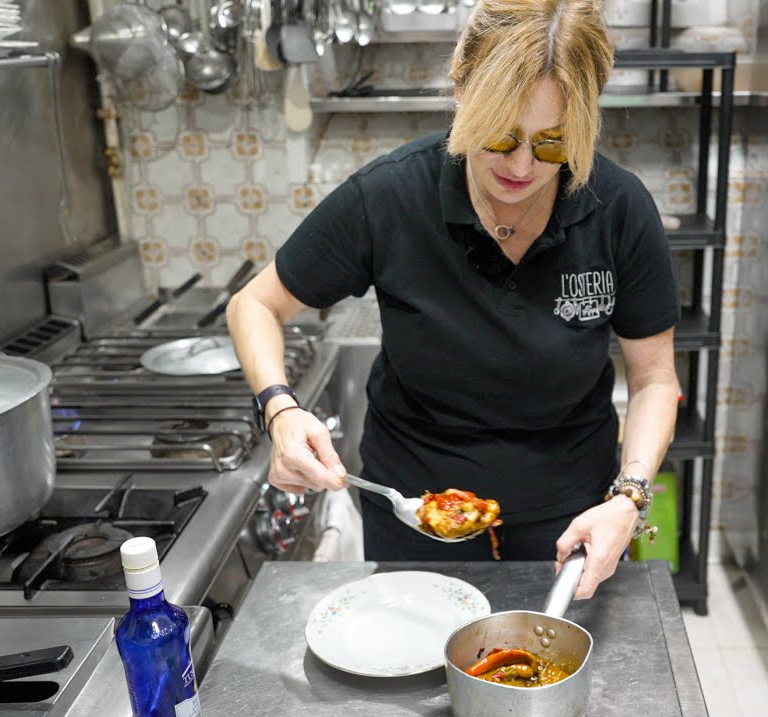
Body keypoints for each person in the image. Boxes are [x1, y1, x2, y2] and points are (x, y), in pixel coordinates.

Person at [227, 0, 679, 600]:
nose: (522, 165)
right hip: (417, 514)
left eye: (552, 144)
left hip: (571, 519)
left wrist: (630, 496)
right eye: (499, 135)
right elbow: (254, 305)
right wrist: (280, 410)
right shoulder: (389, 196)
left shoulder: (617, 207)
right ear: (461, 86)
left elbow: (654, 381)